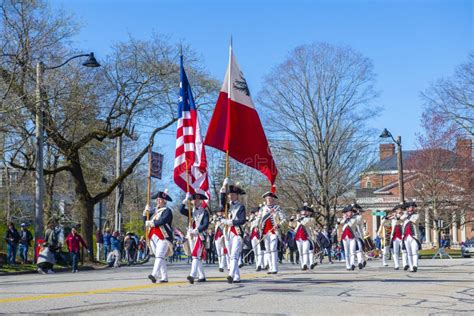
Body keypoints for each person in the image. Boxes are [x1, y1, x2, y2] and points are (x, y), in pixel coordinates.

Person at [219, 179, 246, 284]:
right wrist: (223, 187)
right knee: (230, 255)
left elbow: (242, 220)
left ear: (237, 195)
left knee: (234, 255)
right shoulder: (227, 206)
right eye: (230, 194)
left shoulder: (241, 206)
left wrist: (230, 221)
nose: (231, 196)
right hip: (228, 233)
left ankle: (230, 275)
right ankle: (236, 276)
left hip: (237, 233)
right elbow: (222, 201)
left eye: (234, 194)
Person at [179, 192, 210, 284]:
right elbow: (181, 210)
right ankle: (202, 276)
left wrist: (196, 230)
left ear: (201, 201)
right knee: (197, 256)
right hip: (191, 236)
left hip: (200, 236)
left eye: (197, 199)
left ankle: (192, 275)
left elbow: (205, 225)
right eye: (194, 199)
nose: (195, 201)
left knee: (195, 255)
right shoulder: (190, 211)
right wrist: (184, 201)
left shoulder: (204, 212)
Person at [145, 190, 174, 283]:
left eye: (161, 199)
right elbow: (145, 221)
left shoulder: (167, 211)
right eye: (157, 199)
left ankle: (154, 274)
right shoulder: (153, 211)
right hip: (153, 236)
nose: (158, 201)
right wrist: (145, 212)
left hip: (164, 236)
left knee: (159, 255)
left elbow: (162, 221)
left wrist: (151, 222)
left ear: (165, 201)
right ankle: (164, 277)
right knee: (159, 256)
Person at [258, 191, 285, 274]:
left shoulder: (277, 208)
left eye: (270, 198)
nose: (269, 199)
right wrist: (256, 226)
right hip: (265, 232)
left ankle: (275, 268)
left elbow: (284, 219)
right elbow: (259, 219)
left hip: (274, 232)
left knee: (273, 249)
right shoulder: (262, 209)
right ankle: (270, 267)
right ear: (265, 199)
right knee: (268, 250)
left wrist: (279, 224)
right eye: (268, 198)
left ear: (273, 199)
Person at [295, 204, 317, 270]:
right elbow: (292, 226)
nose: (304, 212)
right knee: (300, 251)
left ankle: (306, 263)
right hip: (298, 236)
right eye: (302, 211)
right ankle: (303, 265)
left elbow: (306, 223)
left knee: (306, 250)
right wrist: (293, 220)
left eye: (305, 211)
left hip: (307, 237)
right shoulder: (298, 218)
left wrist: (300, 219)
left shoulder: (311, 219)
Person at [401, 201, 421, 272]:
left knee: (414, 251)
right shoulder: (405, 215)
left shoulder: (416, 215)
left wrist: (407, 216)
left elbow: (414, 221)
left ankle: (415, 265)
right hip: (406, 237)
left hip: (414, 236)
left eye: (412, 207)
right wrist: (405, 214)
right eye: (409, 207)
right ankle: (411, 267)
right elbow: (400, 219)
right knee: (409, 253)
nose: (411, 208)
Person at [340, 204, 359, 271]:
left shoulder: (354, 219)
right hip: (345, 237)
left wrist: (346, 219)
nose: (349, 213)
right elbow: (340, 223)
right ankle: (347, 265)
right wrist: (344, 218)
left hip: (352, 237)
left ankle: (352, 264)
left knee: (352, 251)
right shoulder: (344, 219)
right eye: (348, 212)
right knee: (346, 252)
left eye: (350, 212)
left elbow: (351, 225)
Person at [390, 204, 408, 270]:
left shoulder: (404, 216)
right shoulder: (393, 217)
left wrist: (398, 217)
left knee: (404, 250)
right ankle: (396, 265)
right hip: (395, 236)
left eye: (400, 209)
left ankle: (405, 264)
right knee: (395, 251)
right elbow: (393, 223)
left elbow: (402, 221)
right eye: (397, 210)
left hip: (402, 235)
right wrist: (393, 217)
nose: (399, 210)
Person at [213, 206, 228, 272]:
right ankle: (220, 265)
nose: (220, 213)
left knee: (223, 251)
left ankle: (222, 265)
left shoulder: (225, 218)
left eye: (221, 212)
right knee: (218, 252)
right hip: (217, 236)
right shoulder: (215, 219)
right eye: (218, 212)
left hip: (223, 235)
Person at [352, 203, 367, 269]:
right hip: (351, 234)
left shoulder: (359, 217)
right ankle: (358, 262)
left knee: (360, 248)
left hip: (358, 234)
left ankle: (360, 261)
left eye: (355, 209)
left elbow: (361, 225)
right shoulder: (350, 216)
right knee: (354, 250)